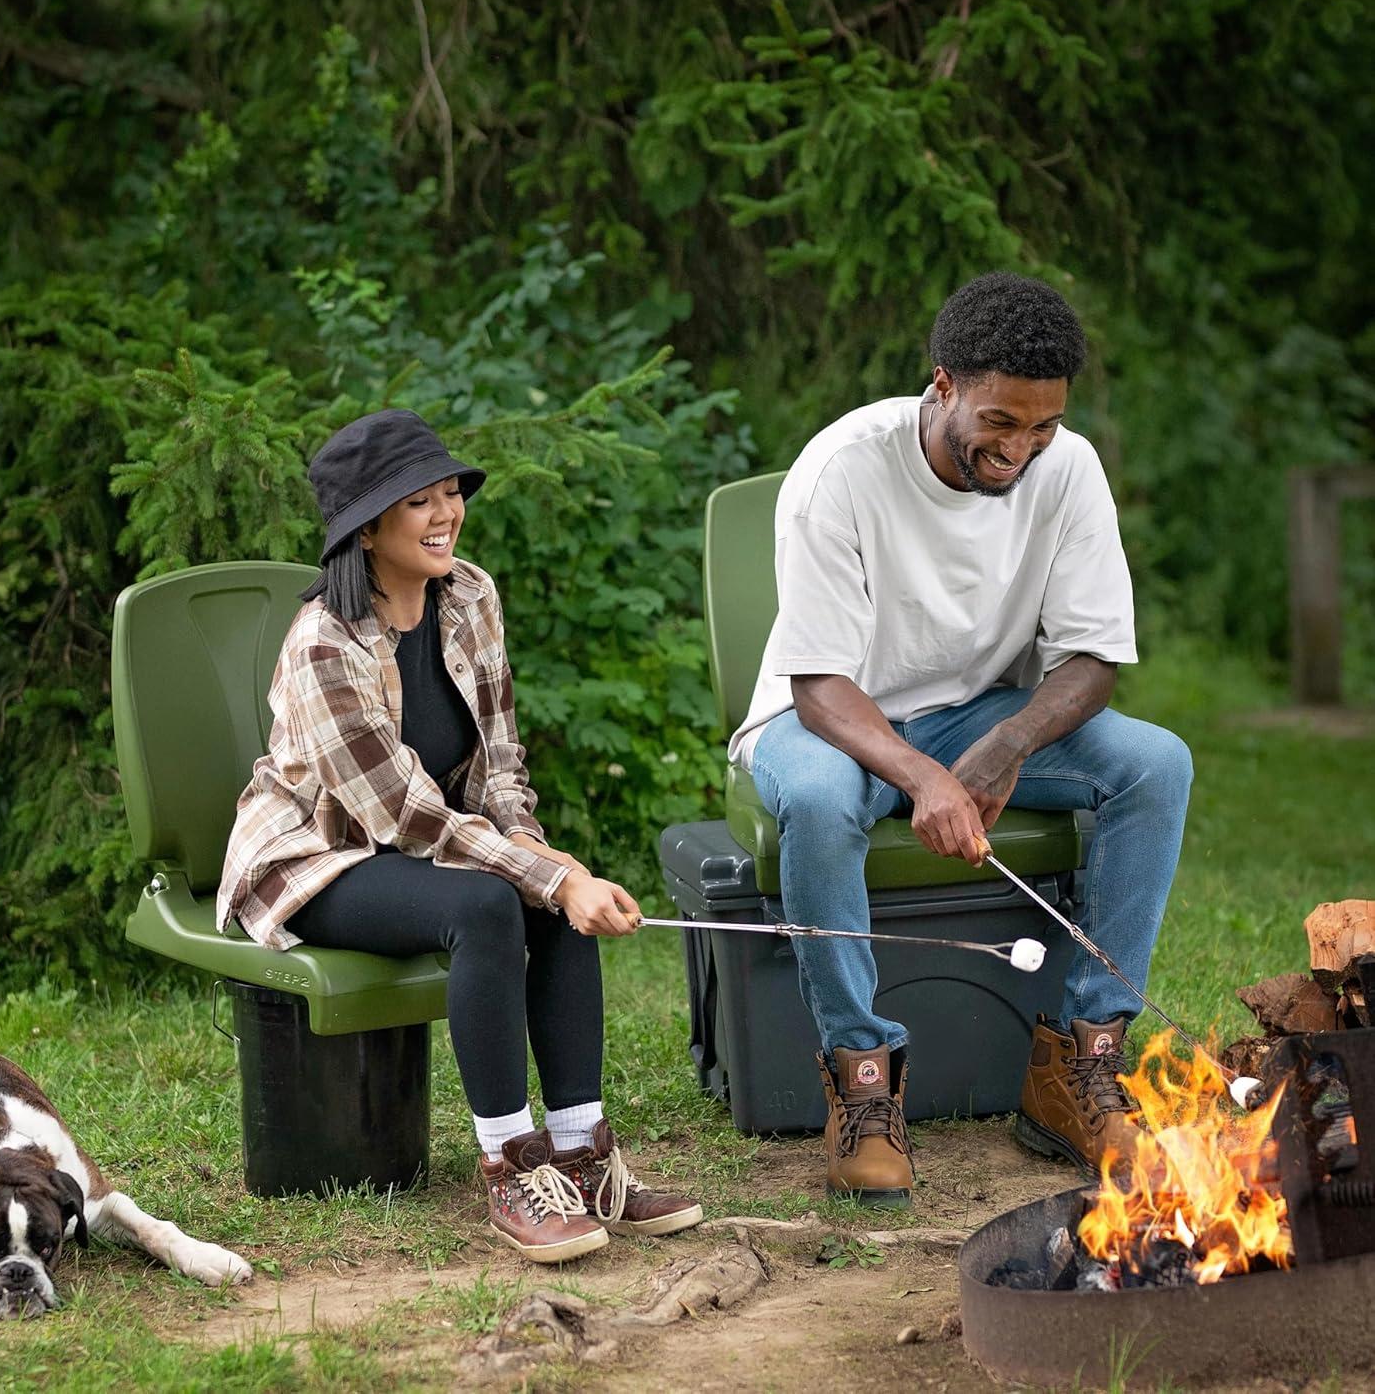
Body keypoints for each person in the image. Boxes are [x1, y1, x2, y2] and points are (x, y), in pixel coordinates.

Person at [729, 273, 1192, 1204]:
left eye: (1043, 427)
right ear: (940, 386)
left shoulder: (1068, 469)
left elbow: (1094, 662)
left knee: (1157, 764)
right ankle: (862, 1086)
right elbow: (817, 682)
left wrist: (1006, 744)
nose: (1020, 449)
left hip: (981, 709)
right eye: (999, 421)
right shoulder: (842, 468)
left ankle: (1082, 1067)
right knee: (819, 801)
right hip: (826, 718)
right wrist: (925, 777)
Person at [217, 409, 701, 1261]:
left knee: (541, 895)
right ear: (368, 529)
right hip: (317, 855)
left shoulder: (469, 595)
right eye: (420, 502)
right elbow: (398, 815)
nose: (446, 514)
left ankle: (582, 1156)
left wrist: (544, 857)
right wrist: (543, 876)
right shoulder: (323, 647)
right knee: (489, 905)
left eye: (452, 495)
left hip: (426, 843)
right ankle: (512, 1169)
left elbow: (499, 764)